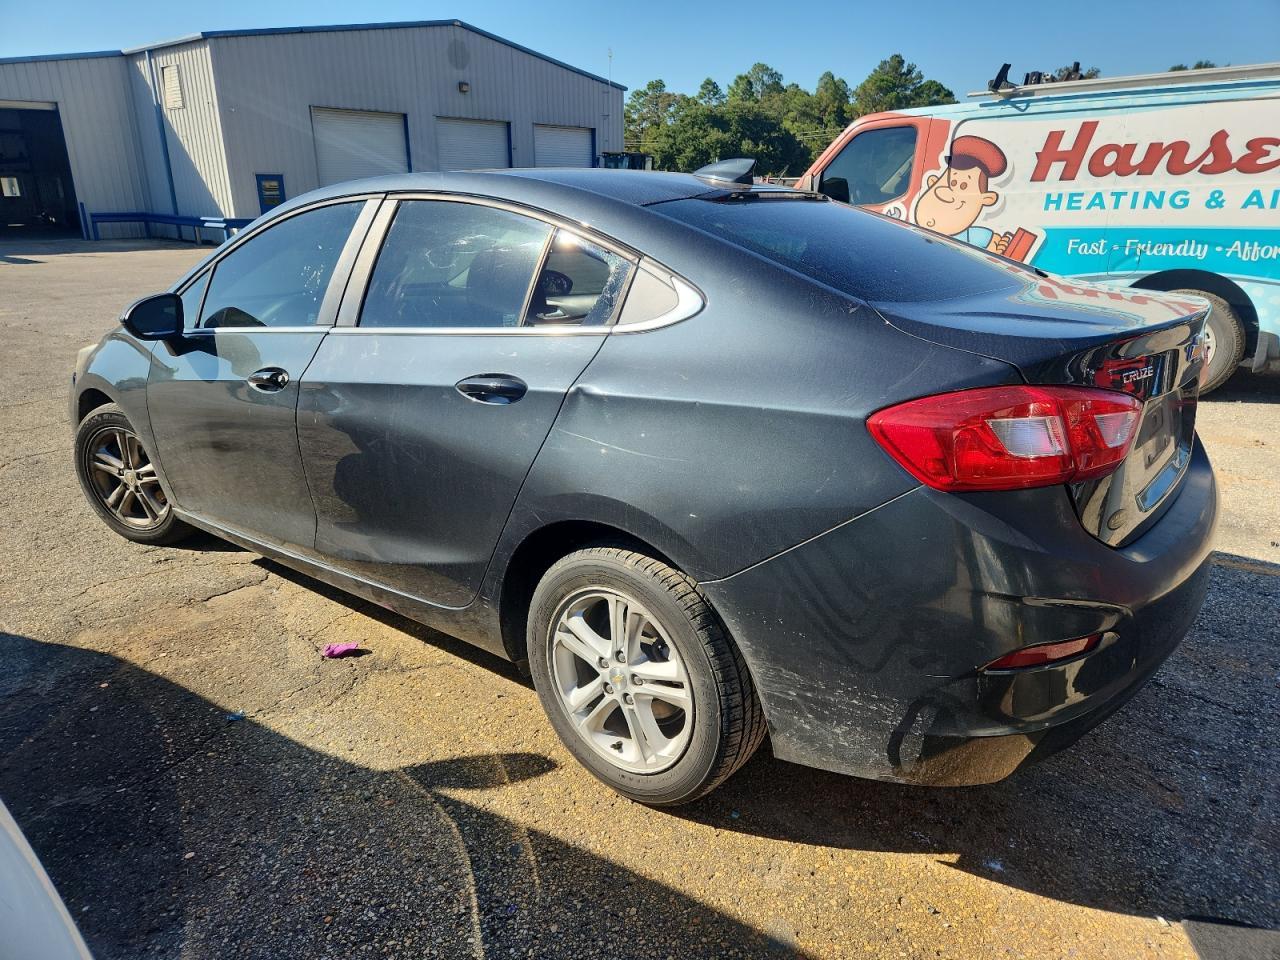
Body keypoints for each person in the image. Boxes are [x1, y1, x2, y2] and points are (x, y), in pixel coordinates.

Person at [912, 135, 1013, 254]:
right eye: (953, 182)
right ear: (932, 182)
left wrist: (993, 247)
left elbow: (992, 241)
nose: (950, 194)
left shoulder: (972, 236)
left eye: (963, 186)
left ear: (986, 199)